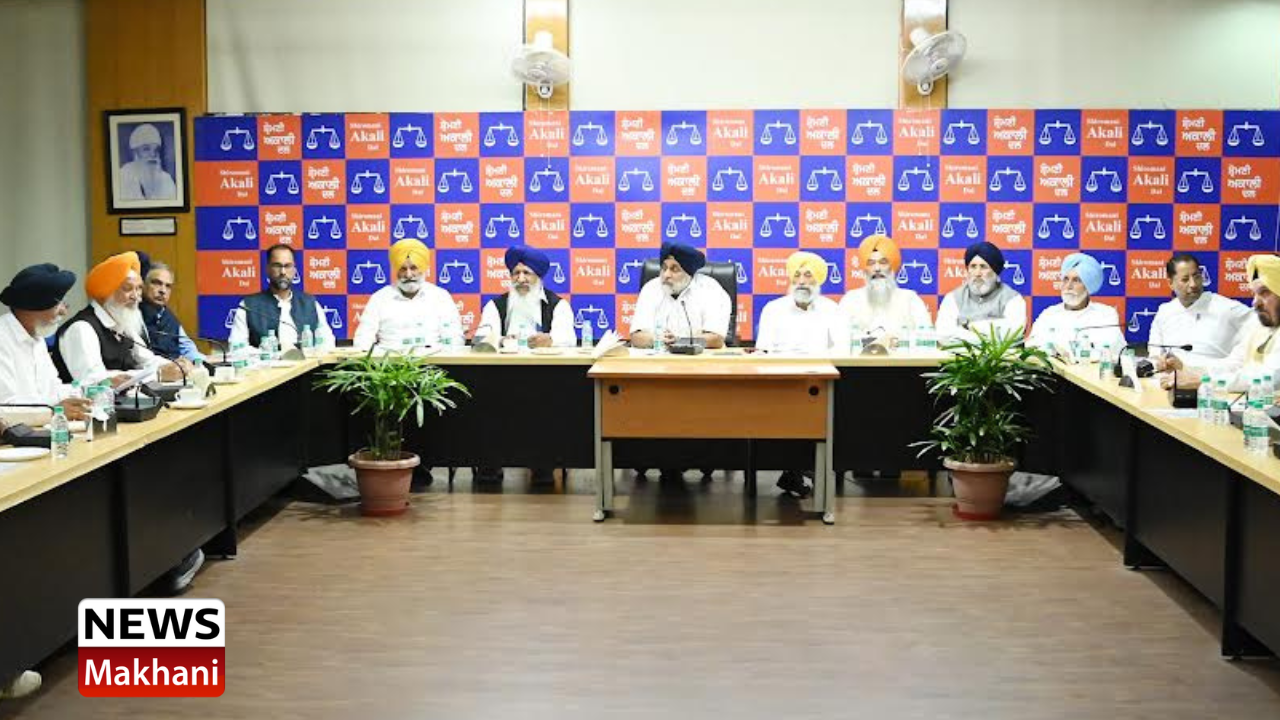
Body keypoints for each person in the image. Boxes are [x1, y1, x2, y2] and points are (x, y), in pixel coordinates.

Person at [52, 251, 183, 386]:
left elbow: (148, 360)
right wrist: (157, 374)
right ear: (106, 292)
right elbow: (93, 380)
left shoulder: (122, 323)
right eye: (127, 289)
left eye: (138, 289)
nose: (136, 297)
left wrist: (176, 366)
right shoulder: (81, 328)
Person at [1163, 255, 1280, 392]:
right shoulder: (1260, 328)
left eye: (1264, 293)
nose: (1255, 302)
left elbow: (1270, 379)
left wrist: (1203, 382)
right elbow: (1234, 363)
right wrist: (1186, 367)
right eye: (1254, 294)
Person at [0, 264, 92, 425]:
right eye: (58, 304)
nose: (64, 311)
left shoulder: (37, 336)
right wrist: (53, 412)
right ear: (33, 305)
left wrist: (89, 393)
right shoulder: (3, 338)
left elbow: (53, 389)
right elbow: (5, 408)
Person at [1148, 253, 1253, 372]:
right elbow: (1155, 354)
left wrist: (1237, 360)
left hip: (1213, 379)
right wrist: (1159, 362)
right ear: (1170, 283)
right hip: (1172, 379)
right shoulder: (1164, 311)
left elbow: (1263, 329)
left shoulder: (1226, 308)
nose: (1193, 284)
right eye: (1185, 279)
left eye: (1197, 276)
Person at [353, 239, 463, 351]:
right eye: (403, 269)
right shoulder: (379, 298)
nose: (408, 275)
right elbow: (363, 339)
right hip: (388, 360)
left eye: (414, 268)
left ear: (424, 268)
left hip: (433, 359)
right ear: (396, 270)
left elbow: (454, 339)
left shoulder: (441, 297)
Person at [228, 244, 334, 351]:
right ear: (268, 269)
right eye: (277, 266)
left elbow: (328, 342)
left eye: (287, 266)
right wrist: (265, 353)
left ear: (294, 270)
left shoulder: (310, 303)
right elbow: (236, 348)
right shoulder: (248, 306)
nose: (283, 272)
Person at [630, 242, 731, 350]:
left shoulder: (711, 290)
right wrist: (657, 340)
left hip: (700, 358)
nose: (666, 275)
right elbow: (636, 337)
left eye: (674, 269)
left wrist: (680, 341)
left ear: (688, 273)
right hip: (658, 357)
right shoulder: (651, 289)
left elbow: (716, 339)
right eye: (664, 268)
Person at [838, 234, 932, 348]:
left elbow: (927, 338)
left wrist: (894, 341)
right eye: (871, 263)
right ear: (865, 269)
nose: (877, 268)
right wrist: (874, 342)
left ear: (892, 267)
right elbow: (839, 337)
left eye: (883, 262)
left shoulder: (910, 299)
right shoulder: (851, 299)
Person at [1026, 252, 1126, 358]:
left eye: (1076, 280)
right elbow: (1032, 347)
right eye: (1066, 279)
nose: (1068, 286)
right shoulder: (1049, 314)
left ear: (1088, 286)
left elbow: (1109, 350)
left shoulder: (1105, 314)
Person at [475, 245, 575, 348]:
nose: (521, 279)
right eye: (516, 273)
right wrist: (502, 340)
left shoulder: (559, 305)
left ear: (538, 277)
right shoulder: (495, 306)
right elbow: (480, 338)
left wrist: (550, 341)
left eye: (526, 273)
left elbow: (568, 339)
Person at [755, 251, 848, 355]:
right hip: (781, 364)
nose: (801, 281)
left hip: (820, 364)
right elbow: (762, 351)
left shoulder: (832, 310)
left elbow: (841, 352)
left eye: (808, 275)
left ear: (817, 280)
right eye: (797, 275)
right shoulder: (773, 309)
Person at [936, 241, 1027, 343]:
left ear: (995, 271)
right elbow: (943, 335)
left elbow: (1013, 335)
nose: (977, 273)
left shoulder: (1013, 299)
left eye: (983, 267)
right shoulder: (953, 298)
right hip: (960, 353)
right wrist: (990, 333)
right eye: (973, 266)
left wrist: (970, 327)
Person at [140, 259, 204, 364]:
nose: (163, 290)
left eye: (168, 286)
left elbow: (186, 347)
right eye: (157, 283)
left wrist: (198, 361)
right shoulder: (133, 315)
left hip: (176, 369)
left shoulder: (168, 316)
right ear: (143, 285)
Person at [118, 123, 176, 201]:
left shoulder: (167, 179)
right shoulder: (122, 176)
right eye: (146, 149)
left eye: (156, 150)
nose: (153, 154)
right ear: (135, 153)